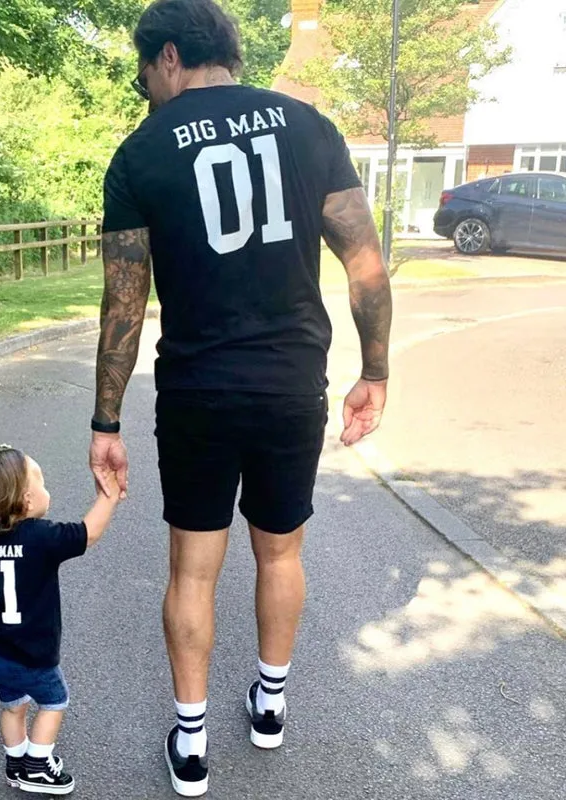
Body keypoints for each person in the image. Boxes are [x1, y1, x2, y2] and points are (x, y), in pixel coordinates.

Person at [89, 0, 393, 795]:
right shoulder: (310, 127)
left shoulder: (140, 154)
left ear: (166, 58)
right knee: (281, 550)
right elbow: (365, 263)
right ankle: (270, 704)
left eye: (142, 71)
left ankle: (190, 745)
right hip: (293, 384)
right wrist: (376, 371)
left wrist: (106, 420)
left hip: (198, 390)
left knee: (194, 569)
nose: (144, 86)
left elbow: (124, 304)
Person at [0, 447, 120, 795]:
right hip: (29, 653)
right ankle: (37, 765)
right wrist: (109, 496)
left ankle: (15, 762)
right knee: (53, 702)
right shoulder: (40, 537)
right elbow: (87, 533)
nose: (48, 490)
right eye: (42, 482)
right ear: (27, 500)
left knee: (13, 705)